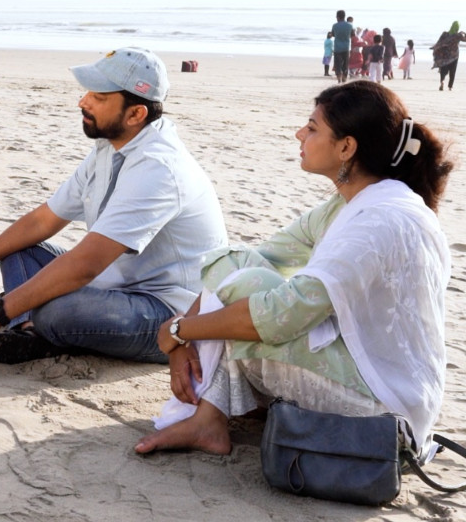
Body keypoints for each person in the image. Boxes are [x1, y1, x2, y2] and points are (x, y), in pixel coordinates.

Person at [135, 81, 453, 464]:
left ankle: (208, 418)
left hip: (384, 406)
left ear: (346, 148)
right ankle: (208, 419)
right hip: (363, 374)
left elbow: (279, 317)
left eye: (313, 127)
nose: (299, 134)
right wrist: (182, 331)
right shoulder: (352, 203)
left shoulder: (377, 222)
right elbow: (249, 259)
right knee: (240, 272)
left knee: (250, 291)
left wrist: (176, 332)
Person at [0, 47, 228, 364]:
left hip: (168, 313)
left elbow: (86, 264)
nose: (82, 102)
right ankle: (35, 328)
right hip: (112, 286)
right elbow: (42, 222)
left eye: (98, 97)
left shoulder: (159, 169)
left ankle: (36, 326)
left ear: (136, 114)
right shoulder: (109, 147)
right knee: (17, 250)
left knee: (59, 312)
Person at [432, 21, 466, 91]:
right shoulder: (458, 35)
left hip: (445, 56)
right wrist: (464, 33)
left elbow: (439, 43)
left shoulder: (445, 34)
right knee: (452, 71)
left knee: (443, 69)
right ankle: (450, 87)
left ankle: (442, 81)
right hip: (454, 56)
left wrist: (436, 49)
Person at [330, 10, 354, 83]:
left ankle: (339, 77)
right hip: (346, 47)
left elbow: (333, 34)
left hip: (337, 47)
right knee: (345, 63)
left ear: (338, 17)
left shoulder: (335, 25)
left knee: (337, 64)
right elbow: (353, 35)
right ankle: (344, 77)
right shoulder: (350, 25)